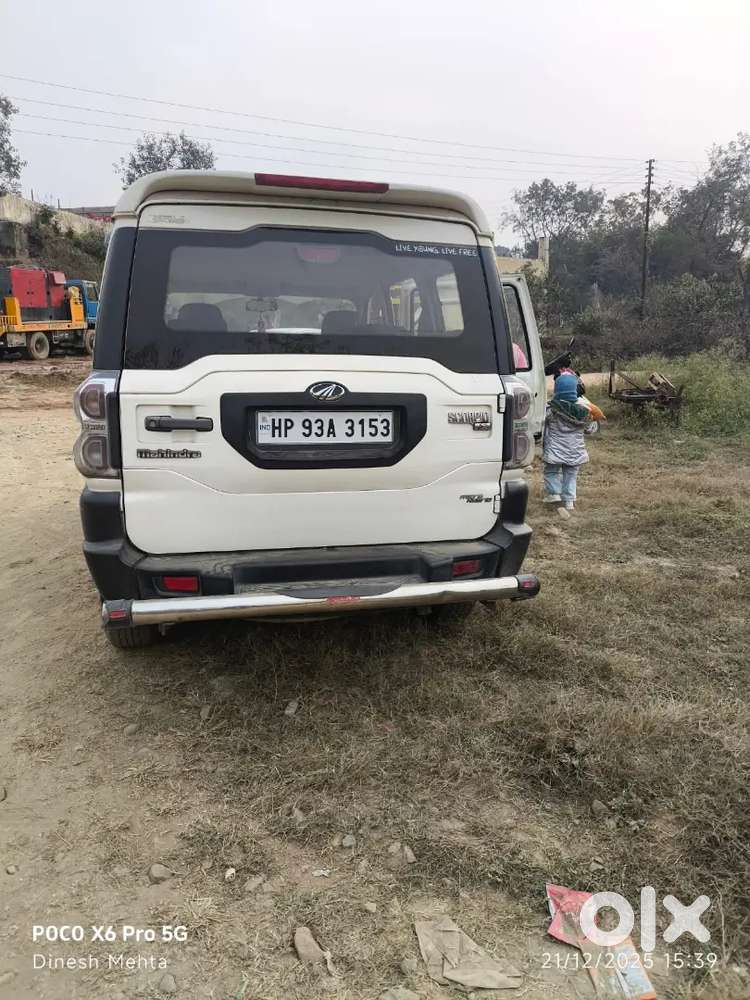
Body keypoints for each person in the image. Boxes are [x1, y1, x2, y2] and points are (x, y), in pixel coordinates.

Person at [542, 371, 598, 511]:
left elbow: (540, 424)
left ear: (557, 390)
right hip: (575, 451)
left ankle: (554, 493)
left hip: (555, 450)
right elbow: (590, 429)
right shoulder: (584, 410)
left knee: (551, 472)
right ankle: (569, 502)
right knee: (571, 475)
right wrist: (595, 421)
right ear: (574, 390)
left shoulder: (551, 409)